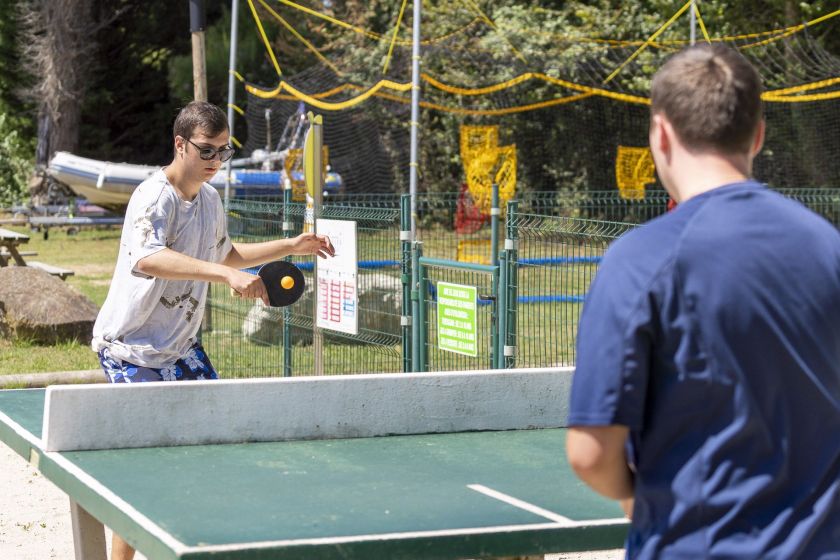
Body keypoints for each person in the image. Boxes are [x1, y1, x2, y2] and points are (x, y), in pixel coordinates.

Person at [566, 43, 840, 558]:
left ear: (660, 134)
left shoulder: (642, 259)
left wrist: (634, 494)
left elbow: (589, 452)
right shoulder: (828, 245)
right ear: (757, 135)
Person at [91, 101, 334, 560]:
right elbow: (147, 258)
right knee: (147, 465)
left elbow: (225, 254)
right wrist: (224, 278)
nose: (215, 163)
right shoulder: (153, 197)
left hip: (181, 348)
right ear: (180, 144)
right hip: (131, 348)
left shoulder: (210, 200)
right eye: (206, 151)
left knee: (216, 444)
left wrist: (292, 244)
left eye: (223, 153)